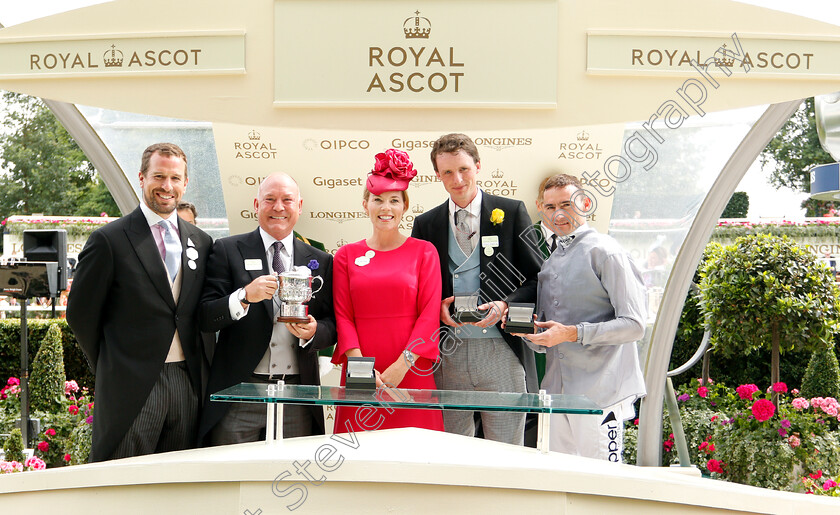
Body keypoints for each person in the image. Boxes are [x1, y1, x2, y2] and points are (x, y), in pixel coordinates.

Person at [67, 142, 212, 462]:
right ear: (142, 178)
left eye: (175, 178)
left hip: (186, 384)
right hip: (131, 385)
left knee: (178, 484)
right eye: (158, 176)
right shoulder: (110, 239)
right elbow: (80, 314)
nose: (167, 186)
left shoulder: (200, 241)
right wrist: (113, 365)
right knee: (122, 482)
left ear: (185, 183)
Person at [411, 133, 540, 445]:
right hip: (446, 353)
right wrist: (436, 306)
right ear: (437, 176)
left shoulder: (510, 213)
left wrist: (506, 305)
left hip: (501, 352)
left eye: (464, 169)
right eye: (447, 173)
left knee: (507, 451)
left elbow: (538, 279)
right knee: (451, 450)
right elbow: (418, 291)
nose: (457, 179)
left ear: (478, 166)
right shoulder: (426, 224)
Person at [511, 173, 647, 461]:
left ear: (585, 203)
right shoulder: (549, 262)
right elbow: (552, 337)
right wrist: (532, 334)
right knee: (563, 486)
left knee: (603, 487)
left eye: (567, 204)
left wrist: (572, 333)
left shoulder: (606, 252)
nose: (558, 214)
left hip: (600, 395)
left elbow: (634, 325)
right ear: (540, 209)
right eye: (549, 207)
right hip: (557, 396)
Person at [198, 173, 335, 444]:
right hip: (239, 392)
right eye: (269, 200)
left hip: (297, 393)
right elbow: (205, 316)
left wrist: (314, 331)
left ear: (300, 205)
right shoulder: (227, 249)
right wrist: (243, 296)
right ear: (256, 204)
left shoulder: (320, 259)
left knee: (290, 475)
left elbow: (333, 324)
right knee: (233, 475)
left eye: (287, 200)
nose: (279, 207)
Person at [332, 149, 443, 433]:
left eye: (394, 200)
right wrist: (360, 367)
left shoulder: (424, 252)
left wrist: (402, 365)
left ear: (405, 206)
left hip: (411, 367)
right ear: (365, 204)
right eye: (378, 200)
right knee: (358, 458)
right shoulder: (345, 255)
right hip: (362, 371)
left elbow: (430, 315)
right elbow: (343, 317)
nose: (386, 208)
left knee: (417, 457)